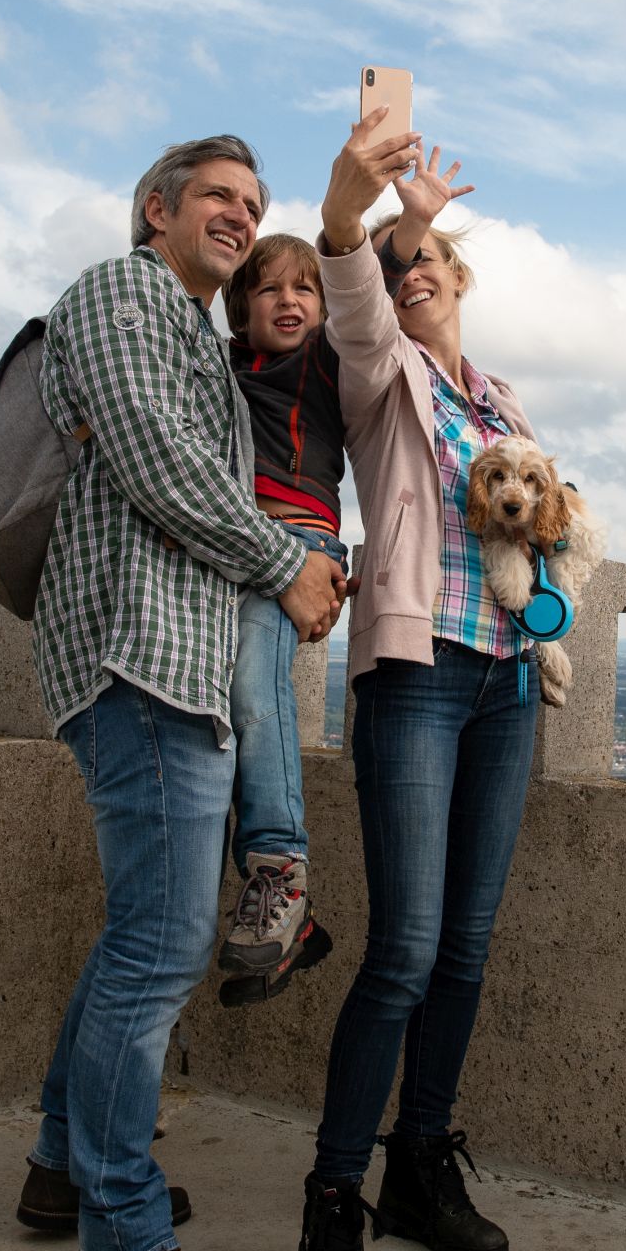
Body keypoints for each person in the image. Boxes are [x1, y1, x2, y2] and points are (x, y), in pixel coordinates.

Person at [18, 134, 347, 1251]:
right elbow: (158, 457)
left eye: (253, 202)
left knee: (139, 938)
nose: (241, 215)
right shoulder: (123, 292)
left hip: (176, 669)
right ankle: (125, 1220)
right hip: (141, 662)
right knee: (160, 952)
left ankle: (62, 1165)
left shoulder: (197, 330)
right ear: (156, 209)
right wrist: (287, 562)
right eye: (219, 195)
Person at [299, 113, 534, 1251]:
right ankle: (333, 1192)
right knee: (404, 948)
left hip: (507, 681)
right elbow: (351, 273)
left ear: (462, 279)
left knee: (465, 948)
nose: (413, 274)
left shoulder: (502, 400)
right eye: (400, 269)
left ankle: (420, 1168)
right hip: (419, 674)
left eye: (431, 259)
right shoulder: (379, 370)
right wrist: (369, 214)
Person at [213, 232, 349, 1007]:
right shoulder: (219, 366)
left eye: (305, 288)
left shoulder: (321, 362)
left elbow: (365, 284)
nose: (289, 300)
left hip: (298, 545)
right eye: (269, 289)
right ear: (242, 307)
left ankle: (280, 869)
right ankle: (282, 929)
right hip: (230, 548)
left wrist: (392, 232)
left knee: (254, 688)